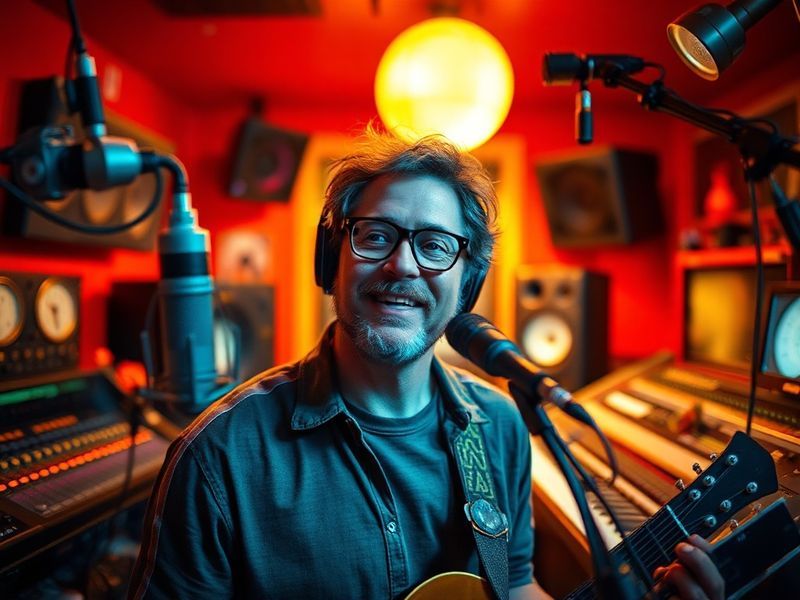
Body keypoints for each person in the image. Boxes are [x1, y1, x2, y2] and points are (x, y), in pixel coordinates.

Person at [128, 127, 724, 600]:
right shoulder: (219, 455)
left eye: (436, 246)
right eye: (376, 236)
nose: (403, 266)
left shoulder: (500, 424)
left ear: (468, 286)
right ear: (331, 260)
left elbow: (514, 584)